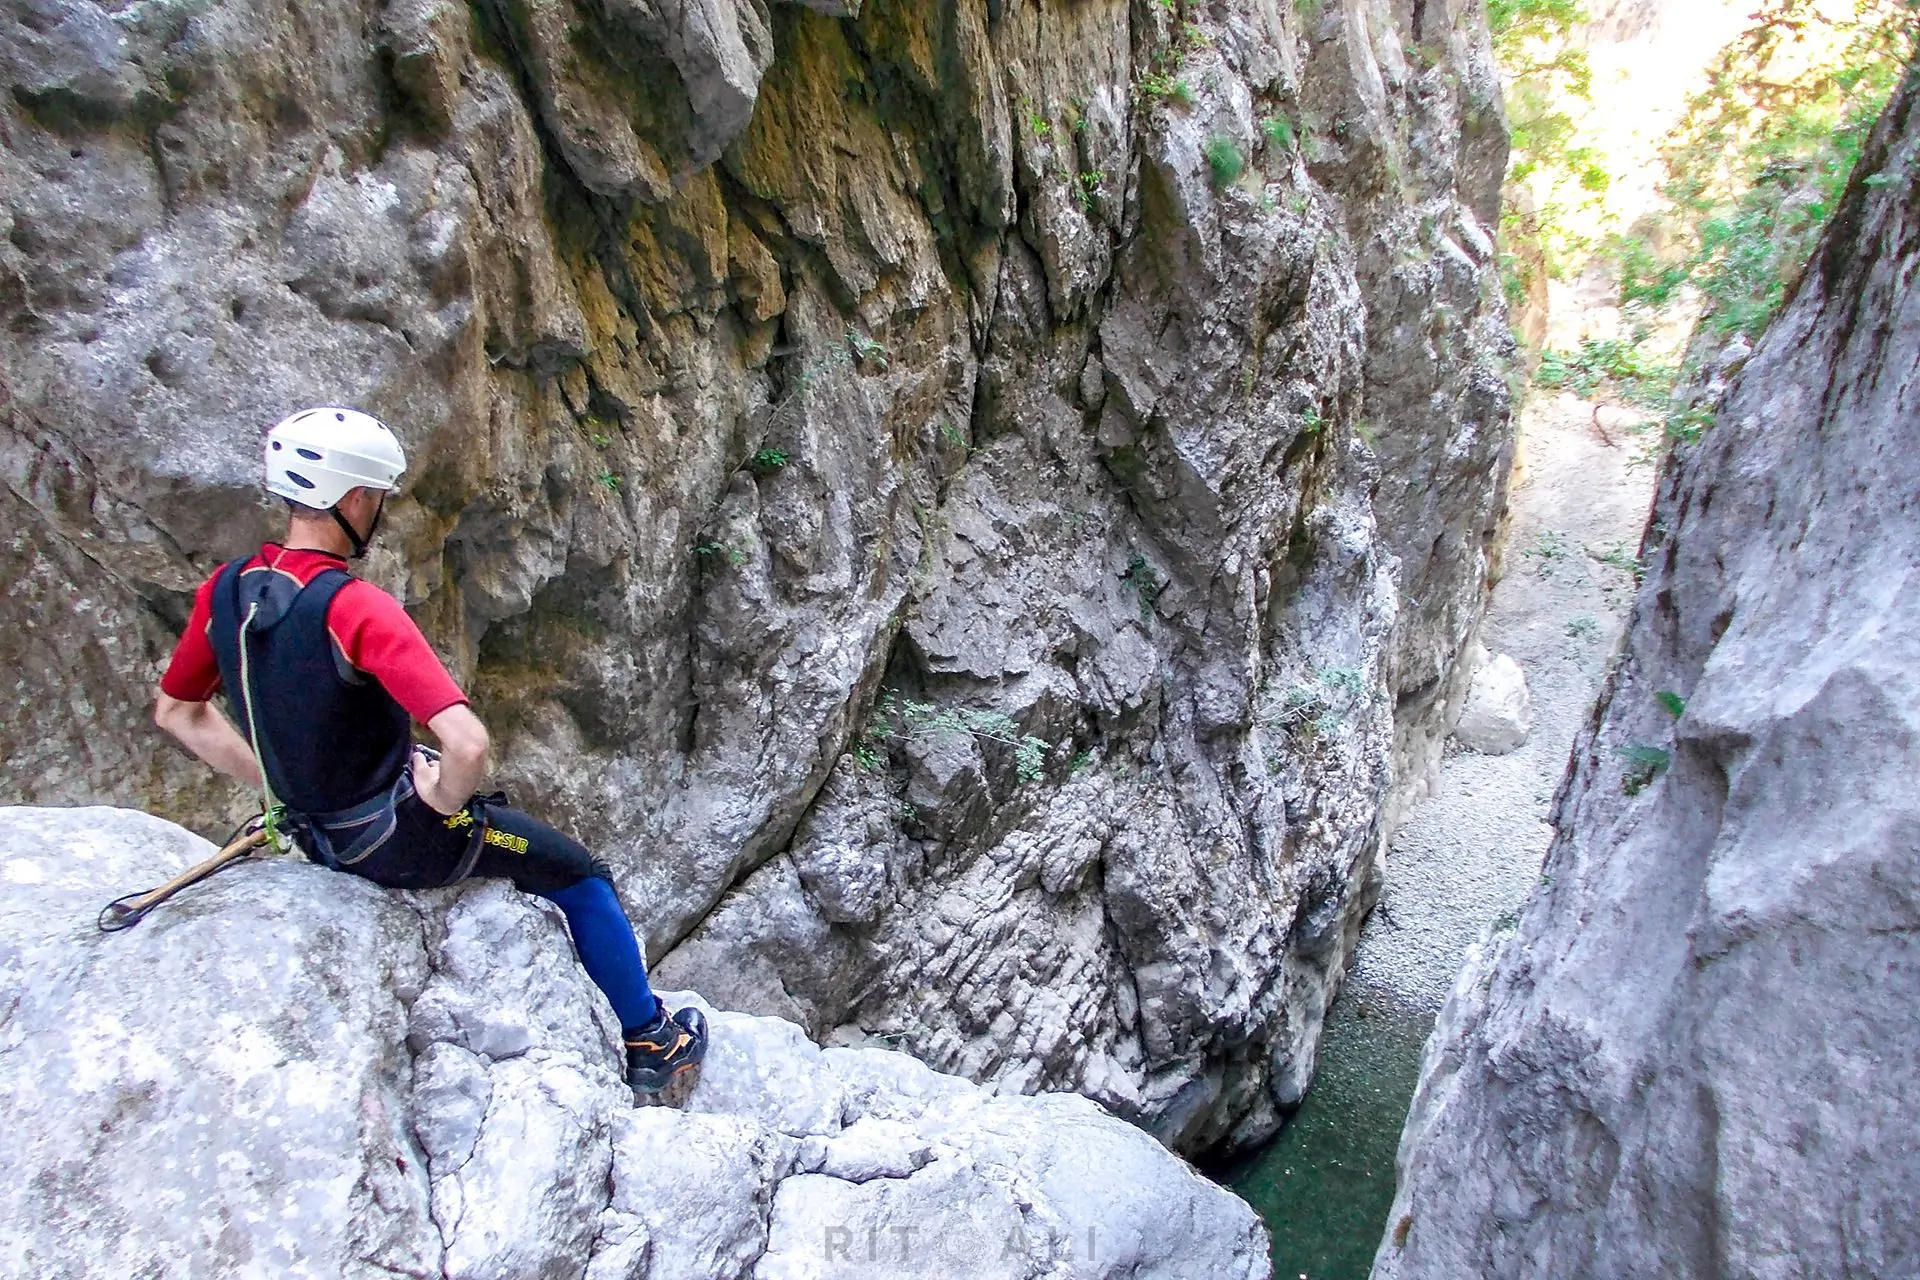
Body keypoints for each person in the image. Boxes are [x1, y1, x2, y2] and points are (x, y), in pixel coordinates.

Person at [151, 406, 707, 1093]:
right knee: (583, 878)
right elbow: (466, 744)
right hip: (390, 840)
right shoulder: (355, 608)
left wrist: (274, 788)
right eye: (378, 497)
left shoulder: (227, 590)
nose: (379, 509)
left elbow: (179, 713)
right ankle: (652, 1037)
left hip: (311, 830)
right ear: (354, 499)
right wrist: (439, 801)